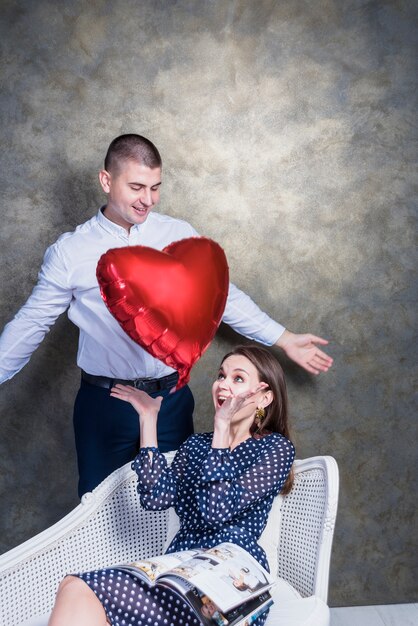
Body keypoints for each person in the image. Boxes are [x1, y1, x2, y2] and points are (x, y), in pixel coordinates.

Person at [0, 133, 331, 497]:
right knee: (97, 514)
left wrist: (284, 339)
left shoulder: (178, 234)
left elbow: (223, 298)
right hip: (104, 405)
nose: (148, 200)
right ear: (106, 181)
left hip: (171, 401)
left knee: (178, 506)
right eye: (137, 187)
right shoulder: (70, 252)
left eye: (155, 188)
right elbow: (32, 323)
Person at [48, 345, 295, 626]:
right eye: (221, 376)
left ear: (264, 397)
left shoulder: (275, 448)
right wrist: (148, 419)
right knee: (75, 587)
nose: (223, 385)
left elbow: (216, 510)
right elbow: (156, 497)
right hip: (178, 568)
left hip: (231, 577)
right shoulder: (196, 445)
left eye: (238, 379)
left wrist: (222, 428)